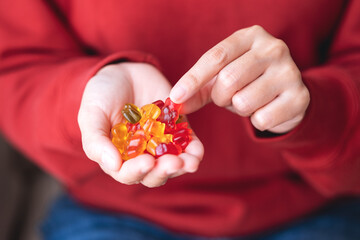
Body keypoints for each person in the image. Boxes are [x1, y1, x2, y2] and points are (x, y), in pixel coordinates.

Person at [1, 0, 360, 239]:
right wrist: (83, 99)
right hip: (112, 213)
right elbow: (16, 65)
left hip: (306, 209)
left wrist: (313, 108)